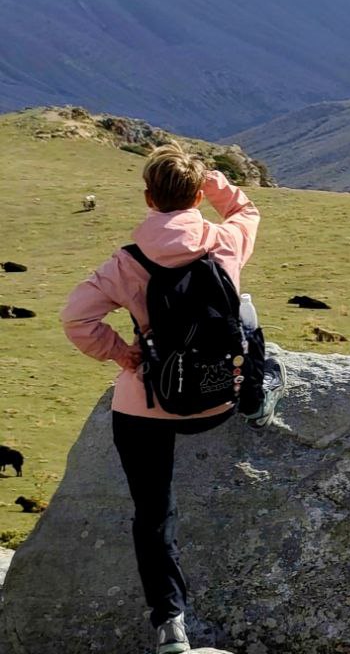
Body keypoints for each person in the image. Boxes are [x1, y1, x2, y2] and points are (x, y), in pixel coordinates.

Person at [61, 143, 285, 654]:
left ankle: (170, 625)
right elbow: (247, 210)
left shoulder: (127, 262)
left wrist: (124, 356)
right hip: (215, 402)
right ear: (195, 194)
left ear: (147, 197)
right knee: (246, 317)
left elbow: (76, 318)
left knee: (153, 513)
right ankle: (256, 401)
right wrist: (215, 184)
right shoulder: (225, 241)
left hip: (147, 408)